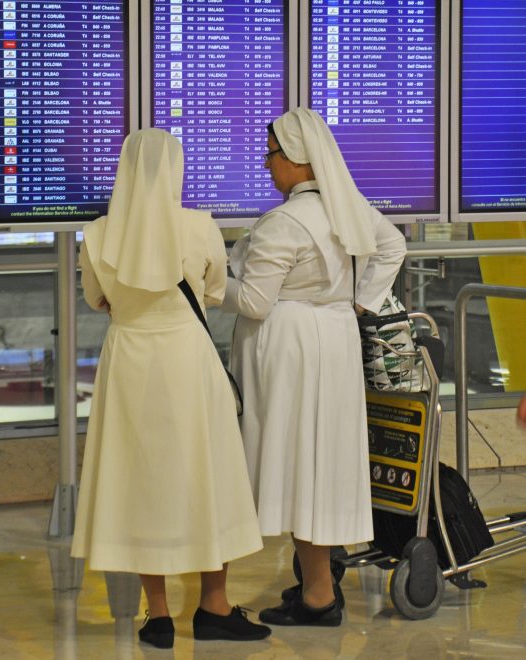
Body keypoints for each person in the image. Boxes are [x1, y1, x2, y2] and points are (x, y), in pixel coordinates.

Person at [70, 128, 271, 649]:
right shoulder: (200, 226)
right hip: (187, 360)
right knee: (208, 475)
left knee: (141, 481)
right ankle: (214, 606)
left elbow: (96, 299)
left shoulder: (97, 234)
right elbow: (215, 291)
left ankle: (157, 615)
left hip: (128, 362)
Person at [223, 108, 407, 626]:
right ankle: (317, 589)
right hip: (335, 339)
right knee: (321, 463)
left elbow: (255, 301)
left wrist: (208, 283)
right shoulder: (346, 205)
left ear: (297, 158)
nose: (266, 164)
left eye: (271, 154)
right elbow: (393, 244)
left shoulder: (284, 222)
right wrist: (358, 301)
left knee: (291, 462)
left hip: (289, 348)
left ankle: (319, 595)